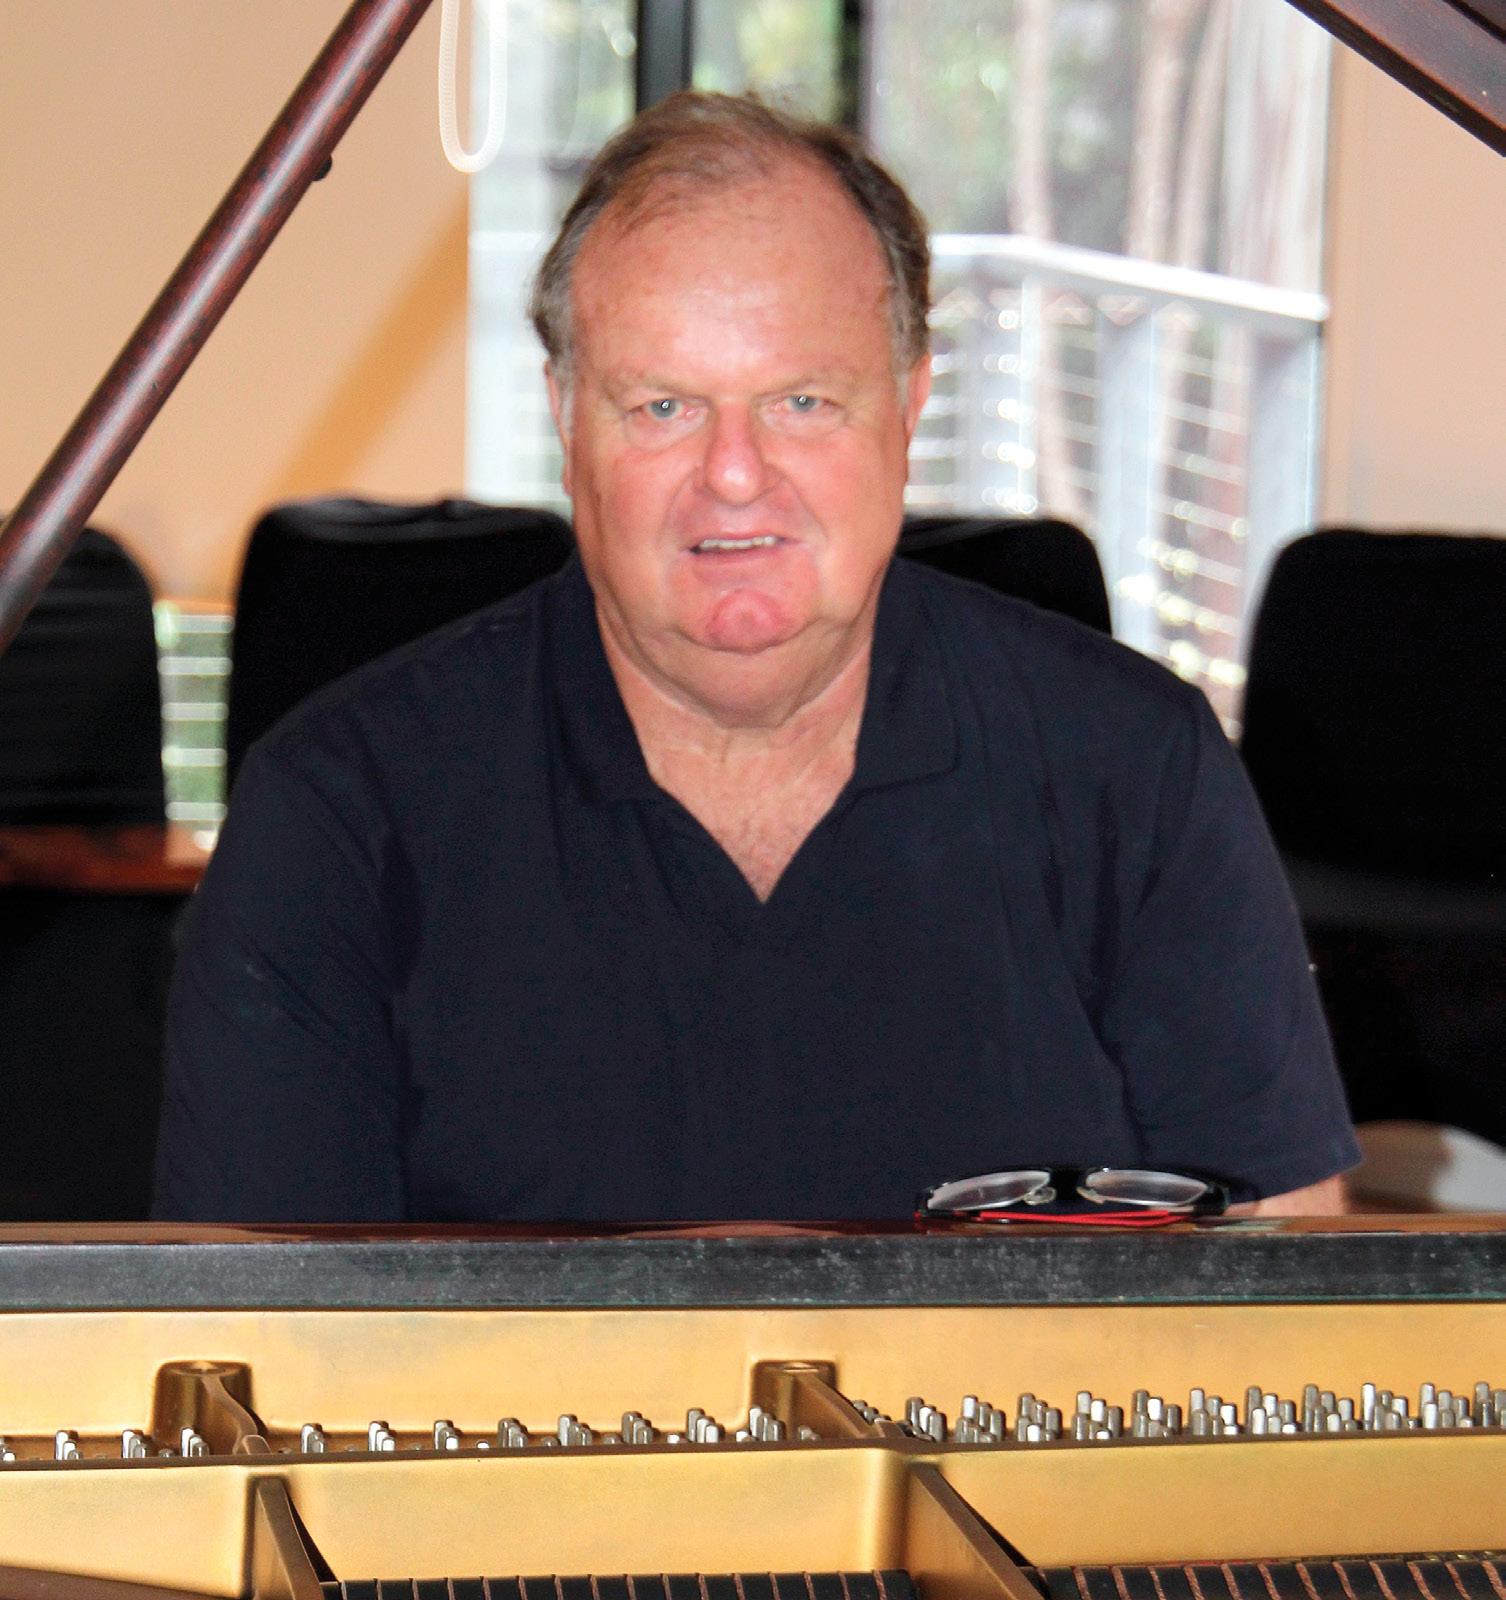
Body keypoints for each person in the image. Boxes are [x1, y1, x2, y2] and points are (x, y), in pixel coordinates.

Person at [154, 93, 1356, 1224]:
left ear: (910, 405)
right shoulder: (336, 817)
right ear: (566, 420)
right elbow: (257, 1336)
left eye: (803, 402)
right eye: (662, 406)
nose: (734, 474)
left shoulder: (1140, 772)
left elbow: (1297, 1301)